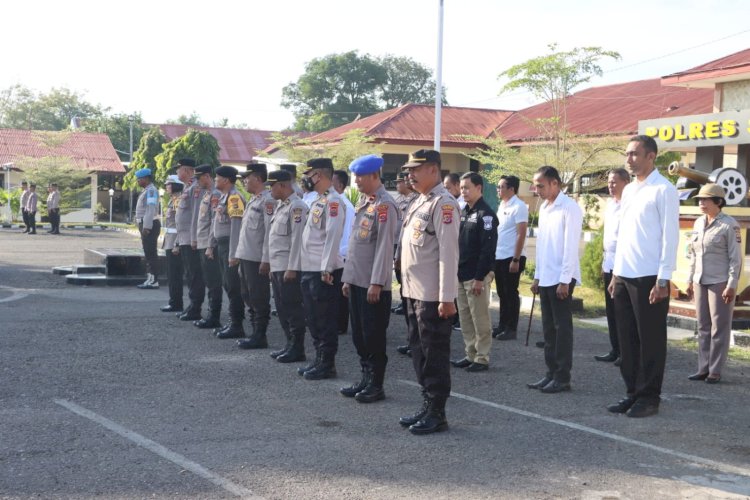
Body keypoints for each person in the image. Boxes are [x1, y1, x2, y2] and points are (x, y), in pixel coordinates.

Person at [607, 135, 679, 418]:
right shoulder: (630, 191)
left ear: (651, 156)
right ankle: (632, 392)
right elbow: (624, 234)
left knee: (650, 340)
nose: (629, 159)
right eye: (627, 154)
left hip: (650, 277)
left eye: (635, 154)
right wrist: (615, 273)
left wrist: (663, 279)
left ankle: (650, 397)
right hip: (625, 274)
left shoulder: (664, 190)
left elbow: (669, 238)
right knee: (627, 340)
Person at [398, 149, 460, 435]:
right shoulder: (419, 201)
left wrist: (447, 297)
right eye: (409, 169)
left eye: (416, 168)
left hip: (433, 296)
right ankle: (426, 404)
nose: (410, 173)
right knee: (418, 352)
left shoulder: (444, 204)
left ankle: (438, 412)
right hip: (413, 292)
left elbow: (448, 253)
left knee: (434, 354)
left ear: (433, 170)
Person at [340, 155, 398, 403]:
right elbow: (357, 245)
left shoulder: (385, 205)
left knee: (373, 336)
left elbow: (385, 247)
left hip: (373, 285)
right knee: (359, 335)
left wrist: (377, 282)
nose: (356, 181)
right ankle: (365, 378)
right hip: (357, 280)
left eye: (360, 176)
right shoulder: (366, 203)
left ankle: (376, 384)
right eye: (355, 176)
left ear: (375, 175)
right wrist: (348, 279)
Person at [527, 166, 582, 394]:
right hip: (547, 276)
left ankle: (562, 377)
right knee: (549, 330)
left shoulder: (569, 208)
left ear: (555, 184)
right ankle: (550, 373)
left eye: (541, 185)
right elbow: (541, 246)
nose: (536, 189)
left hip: (561, 277)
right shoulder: (546, 208)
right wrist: (537, 276)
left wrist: (564, 280)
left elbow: (570, 247)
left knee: (562, 330)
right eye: (535, 185)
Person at [295, 158, 346, 381]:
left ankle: (327, 364)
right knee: (313, 317)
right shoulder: (319, 200)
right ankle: (318, 359)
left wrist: (326, 267)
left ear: (321, 175)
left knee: (325, 319)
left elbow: (333, 236)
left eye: (311, 174)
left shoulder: (334, 202)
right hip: (310, 267)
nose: (308, 178)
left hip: (323, 270)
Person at [686, 183, 742, 384]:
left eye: (705, 199)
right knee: (703, 326)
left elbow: (736, 258)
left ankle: (715, 370)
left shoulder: (729, 225)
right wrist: (690, 279)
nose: (701, 202)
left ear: (718, 202)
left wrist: (731, 284)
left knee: (719, 327)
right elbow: (693, 254)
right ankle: (703, 367)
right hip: (701, 280)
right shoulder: (698, 223)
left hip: (720, 282)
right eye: (699, 199)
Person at [451, 172, 498, 372]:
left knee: (480, 319)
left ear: (479, 188)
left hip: (475, 276)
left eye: (467, 187)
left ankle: (482, 357)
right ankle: (470, 353)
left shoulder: (486, 215)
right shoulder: (463, 212)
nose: (464, 191)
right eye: (461, 188)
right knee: (465, 318)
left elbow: (487, 250)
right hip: (461, 273)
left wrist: (480, 278)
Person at [264, 169, 308, 363]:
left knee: (292, 308)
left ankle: (297, 348)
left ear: (282, 185)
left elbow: (297, 239)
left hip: (288, 267)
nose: (269, 190)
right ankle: (289, 344)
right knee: (282, 308)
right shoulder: (282, 206)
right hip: (277, 266)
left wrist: (293, 267)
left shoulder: (297, 207)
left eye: (271, 186)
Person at [235, 164, 275, 349]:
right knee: (247, 294)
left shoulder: (268, 201)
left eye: (247, 177)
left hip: (257, 257)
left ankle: (260, 335)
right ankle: (254, 332)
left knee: (259, 296)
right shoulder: (253, 200)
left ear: (258, 178)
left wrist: (266, 259)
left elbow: (269, 233)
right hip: (246, 255)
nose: (244, 180)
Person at [594, 168, 629, 364]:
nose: (610, 185)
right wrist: (603, 261)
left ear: (626, 182)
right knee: (611, 310)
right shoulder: (610, 205)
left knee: (621, 311)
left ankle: (626, 352)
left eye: (615, 182)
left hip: (622, 265)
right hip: (609, 261)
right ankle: (615, 348)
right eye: (609, 182)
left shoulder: (628, 204)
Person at [209, 166, 247, 339]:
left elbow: (236, 227)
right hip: (222, 245)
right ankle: (233, 322)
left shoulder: (234, 198)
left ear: (225, 180)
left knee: (233, 286)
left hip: (230, 245)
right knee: (227, 284)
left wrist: (233, 253)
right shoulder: (225, 197)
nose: (215, 180)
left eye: (217, 178)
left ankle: (237, 325)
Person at [493, 175, 528, 341]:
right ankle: (502, 325)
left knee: (510, 293)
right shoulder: (502, 204)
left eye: (501, 187)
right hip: (499, 255)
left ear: (511, 189)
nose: (498, 190)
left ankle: (511, 328)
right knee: (501, 292)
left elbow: (521, 234)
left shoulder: (519, 206)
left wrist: (516, 259)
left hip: (512, 257)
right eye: (498, 187)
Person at [192, 165, 224, 330]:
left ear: (206, 176)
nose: (197, 181)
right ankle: (211, 314)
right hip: (203, 243)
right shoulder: (207, 195)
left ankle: (214, 316)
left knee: (213, 282)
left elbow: (214, 223)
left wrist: (210, 245)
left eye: (199, 178)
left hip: (210, 245)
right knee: (208, 280)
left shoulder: (215, 195)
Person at [175, 158, 205, 322]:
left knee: (195, 275)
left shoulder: (196, 188)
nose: (177, 173)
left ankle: (196, 308)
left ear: (186, 170)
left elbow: (196, 215)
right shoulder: (188, 187)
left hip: (191, 239)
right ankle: (192, 305)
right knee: (190, 274)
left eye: (178, 170)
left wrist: (194, 238)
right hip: (184, 237)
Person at [394, 172, 418, 355]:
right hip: (402, 252)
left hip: (415, 260)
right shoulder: (404, 201)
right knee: (407, 302)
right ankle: (412, 340)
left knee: (417, 307)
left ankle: (416, 342)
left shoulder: (418, 200)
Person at [332, 169, 355, 336]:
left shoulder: (345, 205)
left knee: (340, 293)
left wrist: (340, 253)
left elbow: (346, 233)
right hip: (336, 254)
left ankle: (340, 325)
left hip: (341, 255)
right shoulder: (333, 201)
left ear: (339, 185)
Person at [161, 175, 185, 313]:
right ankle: (174, 301)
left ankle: (176, 303)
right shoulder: (173, 199)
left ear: (176, 185)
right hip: (170, 240)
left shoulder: (178, 200)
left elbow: (179, 223)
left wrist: (177, 243)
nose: (166, 186)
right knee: (172, 274)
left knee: (175, 274)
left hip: (175, 241)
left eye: (169, 184)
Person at [134, 168, 161, 290]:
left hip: (149, 225)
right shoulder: (147, 190)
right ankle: (150, 278)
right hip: (146, 224)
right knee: (148, 253)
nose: (138, 181)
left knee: (151, 253)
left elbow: (150, 209)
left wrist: (146, 227)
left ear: (146, 179)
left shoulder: (151, 191)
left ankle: (154, 280)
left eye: (139, 179)